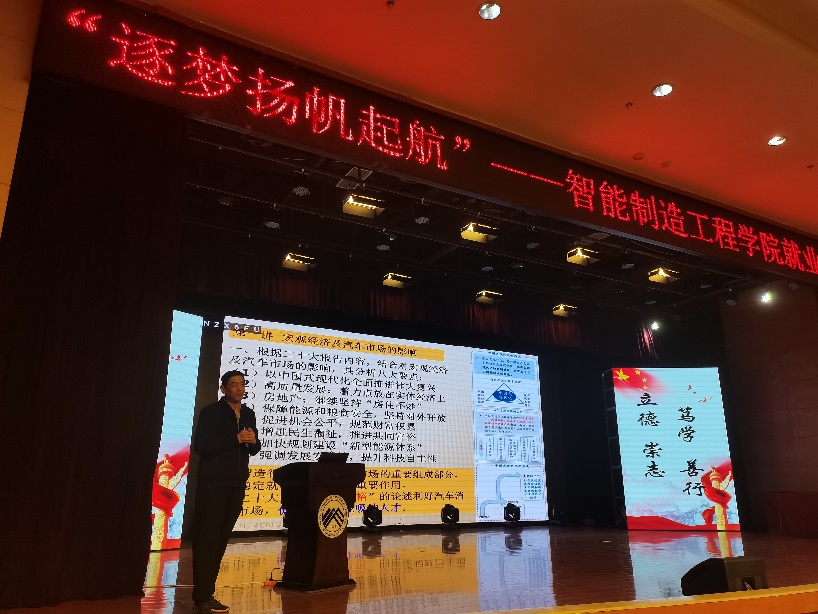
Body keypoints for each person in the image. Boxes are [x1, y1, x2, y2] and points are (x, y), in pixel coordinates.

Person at [191, 370, 261, 614]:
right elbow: (202, 447)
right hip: (213, 483)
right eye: (234, 385)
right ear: (223, 389)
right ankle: (201, 598)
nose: (239, 389)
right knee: (207, 539)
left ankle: (206, 594)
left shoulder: (248, 413)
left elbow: (252, 448)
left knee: (220, 540)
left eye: (242, 384)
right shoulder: (211, 412)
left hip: (237, 483)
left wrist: (253, 441)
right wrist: (235, 438)